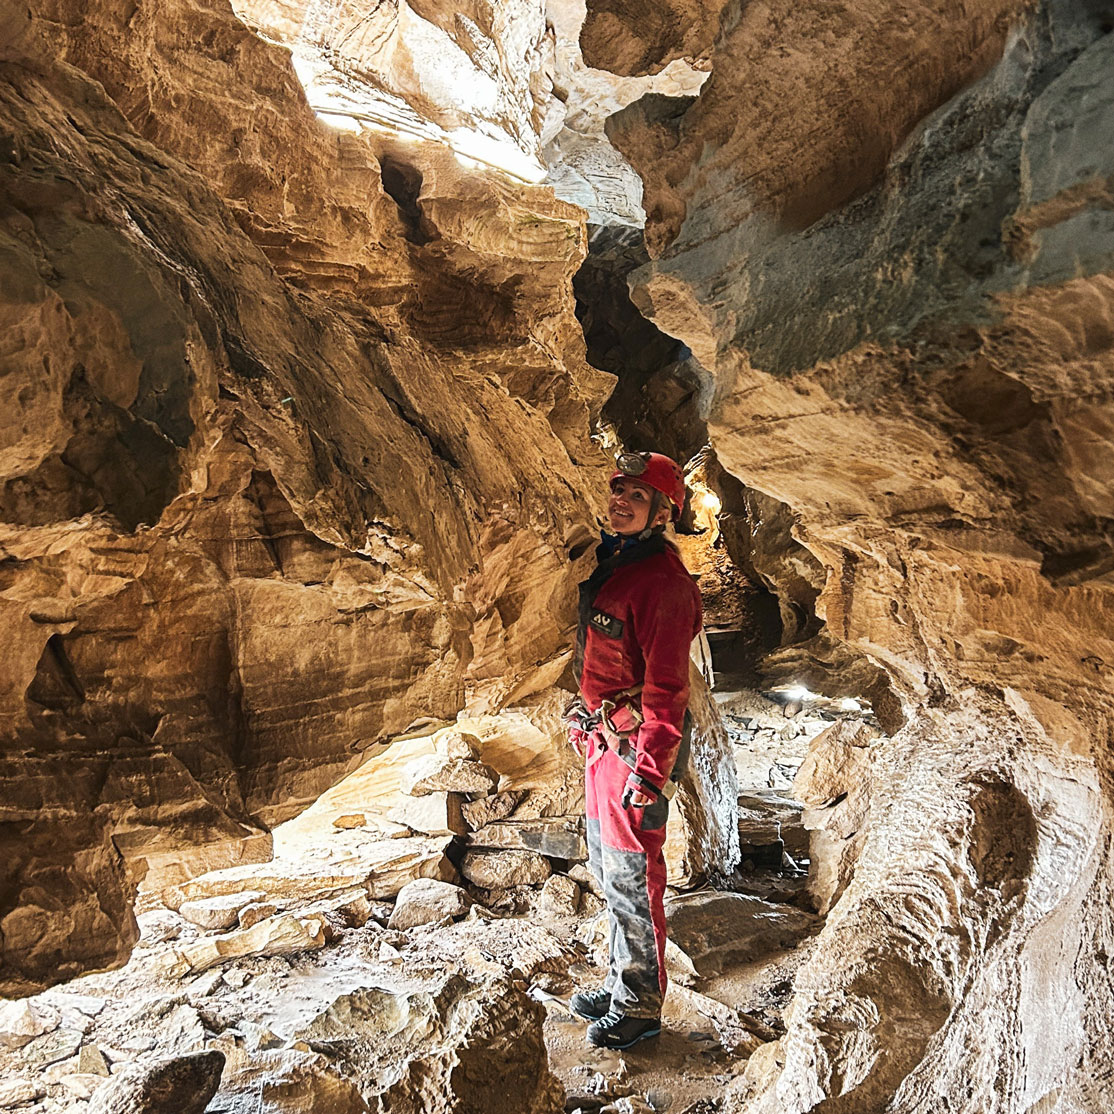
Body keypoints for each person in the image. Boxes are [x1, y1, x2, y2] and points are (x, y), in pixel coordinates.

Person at [565, 450, 703, 1050]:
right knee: (606, 867)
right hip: (604, 743)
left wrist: (650, 774)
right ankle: (622, 979)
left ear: (663, 511)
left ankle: (641, 1004)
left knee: (631, 876)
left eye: (637, 496)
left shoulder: (664, 586)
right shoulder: (617, 567)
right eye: (618, 490)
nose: (621, 501)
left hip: (634, 750)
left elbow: (668, 690)